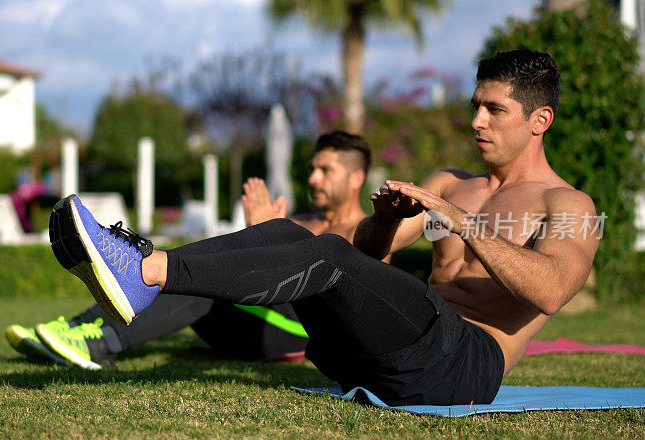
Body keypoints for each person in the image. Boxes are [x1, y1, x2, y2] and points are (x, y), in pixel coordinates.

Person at [48, 50, 601, 406]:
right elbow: (366, 258)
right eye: (474, 106)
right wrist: (383, 223)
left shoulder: (567, 203)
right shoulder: (451, 181)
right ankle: (142, 270)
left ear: (539, 120)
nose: (476, 120)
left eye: (494, 110)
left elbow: (551, 291)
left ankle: (143, 271)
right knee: (305, 239)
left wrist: (462, 222)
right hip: (373, 357)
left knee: (326, 254)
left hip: (464, 366)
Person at [6, 131, 372, 369]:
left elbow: (354, 300)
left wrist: (268, 234)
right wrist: (265, 235)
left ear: (356, 178)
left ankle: (101, 343)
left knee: (205, 283)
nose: (312, 178)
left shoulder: (368, 231)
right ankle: (77, 327)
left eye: (326, 170)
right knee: (199, 266)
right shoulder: (300, 221)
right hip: (251, 320)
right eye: (312, 169)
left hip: (297, 332)